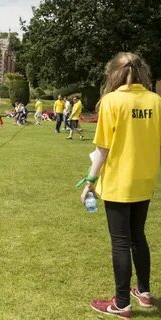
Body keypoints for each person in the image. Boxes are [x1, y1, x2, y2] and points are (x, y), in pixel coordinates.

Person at [82, 52, 161, 319]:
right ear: (142, 72)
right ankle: (145, 292)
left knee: (121, 241)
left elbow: (102, 149)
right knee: (138, 236)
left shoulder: (111, 101)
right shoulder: (155, 101)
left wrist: (90, 182)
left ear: (113, 73)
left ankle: (122, 303)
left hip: (118, 181)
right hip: (144, 179)